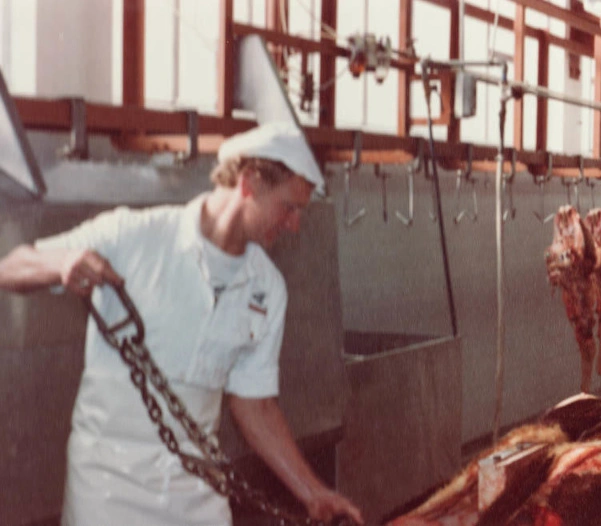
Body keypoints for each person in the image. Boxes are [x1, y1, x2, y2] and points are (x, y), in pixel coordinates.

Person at [0, 122, 364, 526]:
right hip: (108, 488)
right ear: (249, 184)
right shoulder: (134, 235)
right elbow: (10, 268)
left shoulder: (267, 288)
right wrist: (59, 263)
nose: (295, 224)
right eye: (289, 207)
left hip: (197, 491)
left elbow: (256, 405)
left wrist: (314, 494)